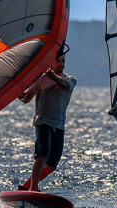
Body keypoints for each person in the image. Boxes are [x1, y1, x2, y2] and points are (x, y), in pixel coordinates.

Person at [17, 52, 76, 191]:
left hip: (59, 124)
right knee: (42, 155)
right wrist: (14, 90)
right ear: (51, 62)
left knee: (52, 164)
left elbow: (64, 84)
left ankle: (25, 187)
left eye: (63, 61)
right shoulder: (41, 79)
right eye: (58, 61)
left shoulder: (71, 80)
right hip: (43, 121)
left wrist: (51, 74)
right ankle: (34, 187)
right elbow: (26, 98)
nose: (61, 64)